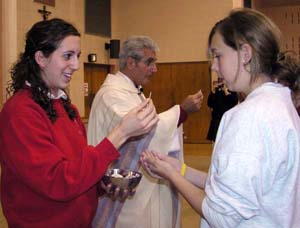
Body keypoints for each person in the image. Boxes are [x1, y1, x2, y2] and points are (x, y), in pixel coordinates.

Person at [141, 8, 300, 227]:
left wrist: (171, 175)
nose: (213, 66)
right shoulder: (281, 102)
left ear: (245, 53)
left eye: (218, 55)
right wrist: (181, 169)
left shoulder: (249, 117)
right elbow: (236, 190)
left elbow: (222, 216)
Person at [0, 18, 158, 228]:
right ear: (41, 58)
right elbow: (58, 182)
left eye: (77, 56)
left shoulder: (66, 108)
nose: (75, 65)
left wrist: (102, 184)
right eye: (67, 56)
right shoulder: (20, 112)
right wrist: (120, 133)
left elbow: (76, 169)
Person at [88, 35, 203, 228]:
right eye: (149, 62)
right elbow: (146, 131)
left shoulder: (134, 92)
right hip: (122, 193)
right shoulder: (112, 94)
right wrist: (181, 111)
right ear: (131, 62)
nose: (154, 69)